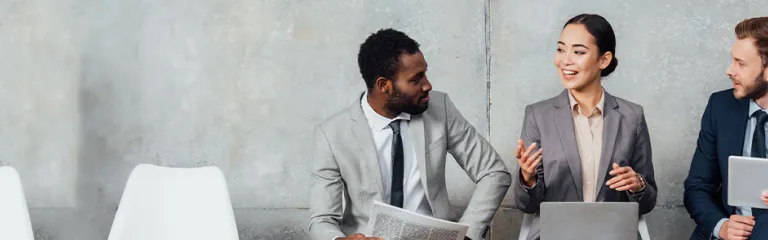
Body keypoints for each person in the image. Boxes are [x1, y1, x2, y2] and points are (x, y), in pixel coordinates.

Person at [307, 28, 511, 240]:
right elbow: (321, 219)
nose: (428, 85)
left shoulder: (440, 109)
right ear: (383, 85)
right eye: (416, 79)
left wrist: (469, 233)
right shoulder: (331, 134)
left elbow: (494, 172)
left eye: (425, 73)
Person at [511, 14, 658, 240]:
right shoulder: (538, 115)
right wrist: (527, 178)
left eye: (578, 52)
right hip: (555, 235)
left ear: (604, 60)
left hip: (613, 235)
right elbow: (527, 205)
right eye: (561, 50)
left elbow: (647, 202)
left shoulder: (632, 116)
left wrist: (637, 185)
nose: (565, 60)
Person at [684, 16, 768, 240]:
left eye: (741, 63)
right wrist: (721, 226)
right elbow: (697, 186)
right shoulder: (720, 107)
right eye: (733, 60)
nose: (730, 71)